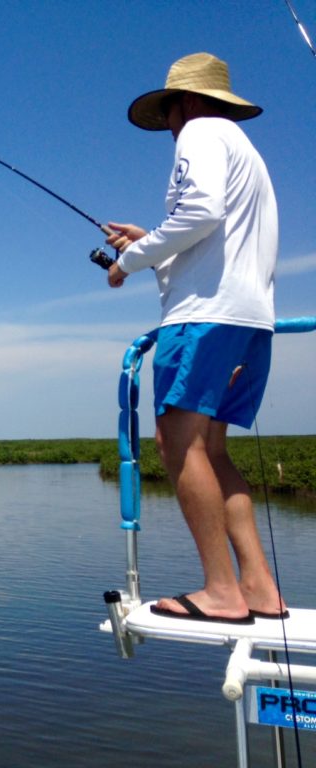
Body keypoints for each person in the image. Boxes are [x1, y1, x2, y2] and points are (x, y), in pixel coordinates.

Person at [105, 52, 286, 624]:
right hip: (250, 318)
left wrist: (131, 259)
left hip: (204, 318)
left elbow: (201, 212)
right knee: (213, 449)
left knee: (178, 445)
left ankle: (222, 591)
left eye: (169, 115)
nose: (170, 129)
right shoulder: (242, 149)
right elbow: (210, 236)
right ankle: (258, 587)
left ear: (183, 103)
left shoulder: (202, 132)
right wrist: (153, 241)